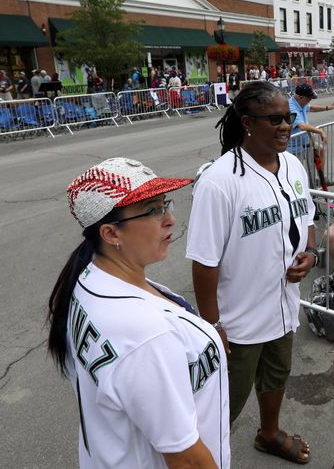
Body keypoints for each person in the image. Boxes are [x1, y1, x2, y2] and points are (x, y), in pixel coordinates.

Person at [47, 157, 229, 469]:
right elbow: (187, 460)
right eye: (152, 210)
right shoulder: (146, 334)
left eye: (165, 203)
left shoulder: (90, 278)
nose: (170, 219)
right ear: (111, 234)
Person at [187, 81, 315, 464]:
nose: (285, 126)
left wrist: (309, 252)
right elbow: (204, 262)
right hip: (238, 322)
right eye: (274, 119)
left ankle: (270, 434)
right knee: (223, 406)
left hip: (282, 307)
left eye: (288, 118)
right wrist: (213, 325)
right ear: (247, 122)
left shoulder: (292, 164)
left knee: (277, 377)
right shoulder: (219, 181)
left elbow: (306, 218)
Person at [287, 82, 334, 155]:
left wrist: (327, 108)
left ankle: (319, 166)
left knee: (321, 150)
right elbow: (302, 126)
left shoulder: (301, 103)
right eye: (309, 98)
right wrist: (320, 131)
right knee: (300, 165)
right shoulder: (291, 107)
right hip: (294, 148)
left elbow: (311, 108)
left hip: (305, 143)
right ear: (301, 97)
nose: (310, 100)